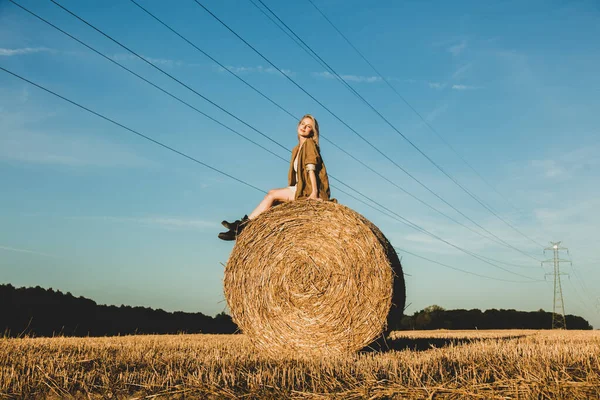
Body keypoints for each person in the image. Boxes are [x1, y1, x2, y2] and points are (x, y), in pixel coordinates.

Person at [219, 114, 331, 241]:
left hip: (306, 190)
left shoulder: (309, 144)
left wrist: (314, 193)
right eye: (302, 124)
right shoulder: (296, 149)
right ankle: (252, 230)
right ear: (298, 125)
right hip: (298, 188)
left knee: (272, 195)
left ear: (313, 131)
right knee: (272, 194)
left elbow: (312, 168)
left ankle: (243, 226)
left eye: (309, 126)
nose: (304, 127)